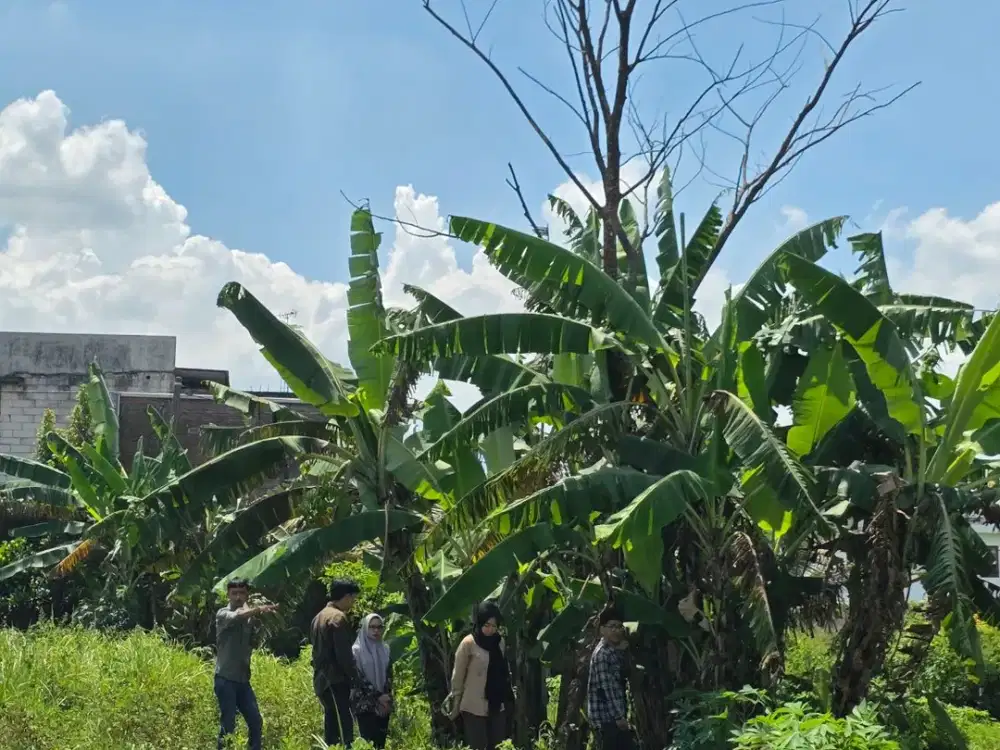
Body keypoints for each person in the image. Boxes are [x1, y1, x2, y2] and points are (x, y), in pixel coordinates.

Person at [214, 578, 279, 750]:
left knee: (256, 720)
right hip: (226, 679)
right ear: (228, 595)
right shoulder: (223, 614)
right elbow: (238, 616)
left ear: (246, 594)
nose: (238, 597)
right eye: (234, 593)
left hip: (243, 680)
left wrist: (263, 619)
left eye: (241, 593)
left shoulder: (250, 619)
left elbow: (254, 642)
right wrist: (258, 609)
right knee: (228, 726)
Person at [449, 601, 513, 750]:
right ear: (480, 623)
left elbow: (503, 670)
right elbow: (458, 675)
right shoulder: (468, 643)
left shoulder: (499, 642)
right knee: (478, 746)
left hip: (496, 705)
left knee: (498, 745)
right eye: (487, 625)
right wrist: (456, 702)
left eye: (494, 626)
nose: (490, 630)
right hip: (473, 706)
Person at [310, 578, 361, 748]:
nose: (353, 603)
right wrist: (356, 676)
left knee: (331, 725)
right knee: (344, 727)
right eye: (353, 599)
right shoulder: (338, 618)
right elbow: (343, 656)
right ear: (346, 597)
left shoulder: (318, 617)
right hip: (336, 680)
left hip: (322, 680)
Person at [587, 606, 633, 750]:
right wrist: (619, 717)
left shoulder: (612, 651)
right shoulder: (602, 654)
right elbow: (607, 689)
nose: (616, 630)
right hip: (608, 719)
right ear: (602, 630)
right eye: (611, 626)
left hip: (612, 718)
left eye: (619, 627)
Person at [351, 613, 394, 748]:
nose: (376, 631)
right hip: (365, 705)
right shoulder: (356, 651)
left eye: (379, 627)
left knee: (380, 743)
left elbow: (389, 675)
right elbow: (358, 678)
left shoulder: (385, 649)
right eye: (372, 627)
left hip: (383, 704)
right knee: (368, 743)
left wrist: (386, 697)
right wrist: (378, 696)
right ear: (365, 628)